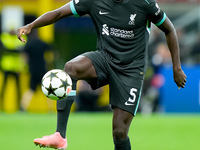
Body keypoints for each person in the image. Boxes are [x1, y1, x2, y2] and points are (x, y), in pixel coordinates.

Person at [17, 0, 187, 149]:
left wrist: (176, 68)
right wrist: (31, 25)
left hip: (131, 70)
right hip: (104, 59)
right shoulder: (94, 1)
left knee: (119, 132)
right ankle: (60, 136)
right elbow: (59, 12)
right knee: (71, 68)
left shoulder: (144, 3)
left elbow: (169, 29)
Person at [20, 29, 53, 111]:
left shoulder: (29, 44)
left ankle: (23, 107)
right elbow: (52, 53)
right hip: (42, 69)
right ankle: (50, 108)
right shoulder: (42, 43)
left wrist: (24, 66)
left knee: (31, 89)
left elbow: (25, 58)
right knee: (47, 90)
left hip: (33, 70)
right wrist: (49, 63)